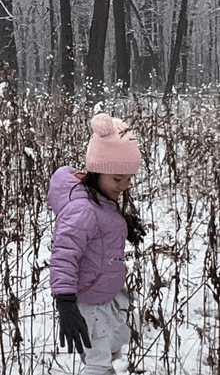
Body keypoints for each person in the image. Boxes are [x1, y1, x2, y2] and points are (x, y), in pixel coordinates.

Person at [48, 113, 146, 375]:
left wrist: (123, 226)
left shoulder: (100, 199)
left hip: (105, 296)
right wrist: (66, 303)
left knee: (112, 348)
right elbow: (64, 257)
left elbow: (100, 227)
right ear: (97, 170)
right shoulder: (82, 210)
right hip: (86, 301)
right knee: (97, 363)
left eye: (128, 179)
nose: (124, 186)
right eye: (117, 179)